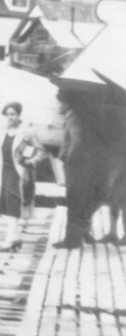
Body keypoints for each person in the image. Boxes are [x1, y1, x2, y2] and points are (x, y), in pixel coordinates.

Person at [53, 93, 126, 248]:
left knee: (75, 203)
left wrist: (70, 162)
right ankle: (82, 231)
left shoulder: (75, 118)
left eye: (60, 103)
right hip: (89, 166)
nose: (57, 106)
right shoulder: (79, 117)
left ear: (68, 103)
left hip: (77, 168)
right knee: (88, 201)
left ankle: (72, 240)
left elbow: (77, 143)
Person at [0, 101, 47, 252]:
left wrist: (30, 161)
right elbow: (1, 151)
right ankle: (15, 238)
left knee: (14, 204)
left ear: (19, 115)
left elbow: (41, 151)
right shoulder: (2, 131)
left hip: (19, 172)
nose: (10, 117)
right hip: (4, 171)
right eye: (7, 114)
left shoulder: (27, 132)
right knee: (7, 205)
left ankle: (9, 240)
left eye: (13, 114)